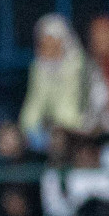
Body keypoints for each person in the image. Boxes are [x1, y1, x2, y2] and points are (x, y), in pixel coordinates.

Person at [19, 14, 85, 150]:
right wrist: (29, 128)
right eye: (43, 43)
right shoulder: (38, 68)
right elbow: (32, 107)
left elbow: (73, 112)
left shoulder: (79, 66)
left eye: (51, 42)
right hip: (48, 131)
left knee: (59, 138)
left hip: (77, 132)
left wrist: (58, 127)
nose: (46, 48)